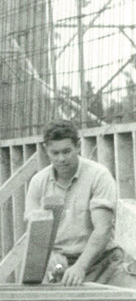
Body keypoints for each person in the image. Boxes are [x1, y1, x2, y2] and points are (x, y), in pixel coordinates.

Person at [24, 119, 136, 287]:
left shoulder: (99, 176)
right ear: (46, 150)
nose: (61, 159)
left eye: (67, 151)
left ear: (78, 146)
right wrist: (50, 255)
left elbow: (103, 229)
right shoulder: (38, 182)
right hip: (62, 267)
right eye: (55, 153)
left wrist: (80, 267)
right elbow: (35, 231)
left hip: (104, 264)